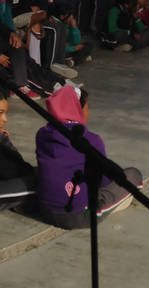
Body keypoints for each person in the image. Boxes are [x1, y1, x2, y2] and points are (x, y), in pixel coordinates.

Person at [35, 85, 143, 229]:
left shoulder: (42, 134)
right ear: (77, 109)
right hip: (78, 216)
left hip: (45, 210)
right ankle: (111, 204)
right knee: (133, 175)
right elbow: (104, 181)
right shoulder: (91, 140)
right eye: (87, 107)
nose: (88, 112)